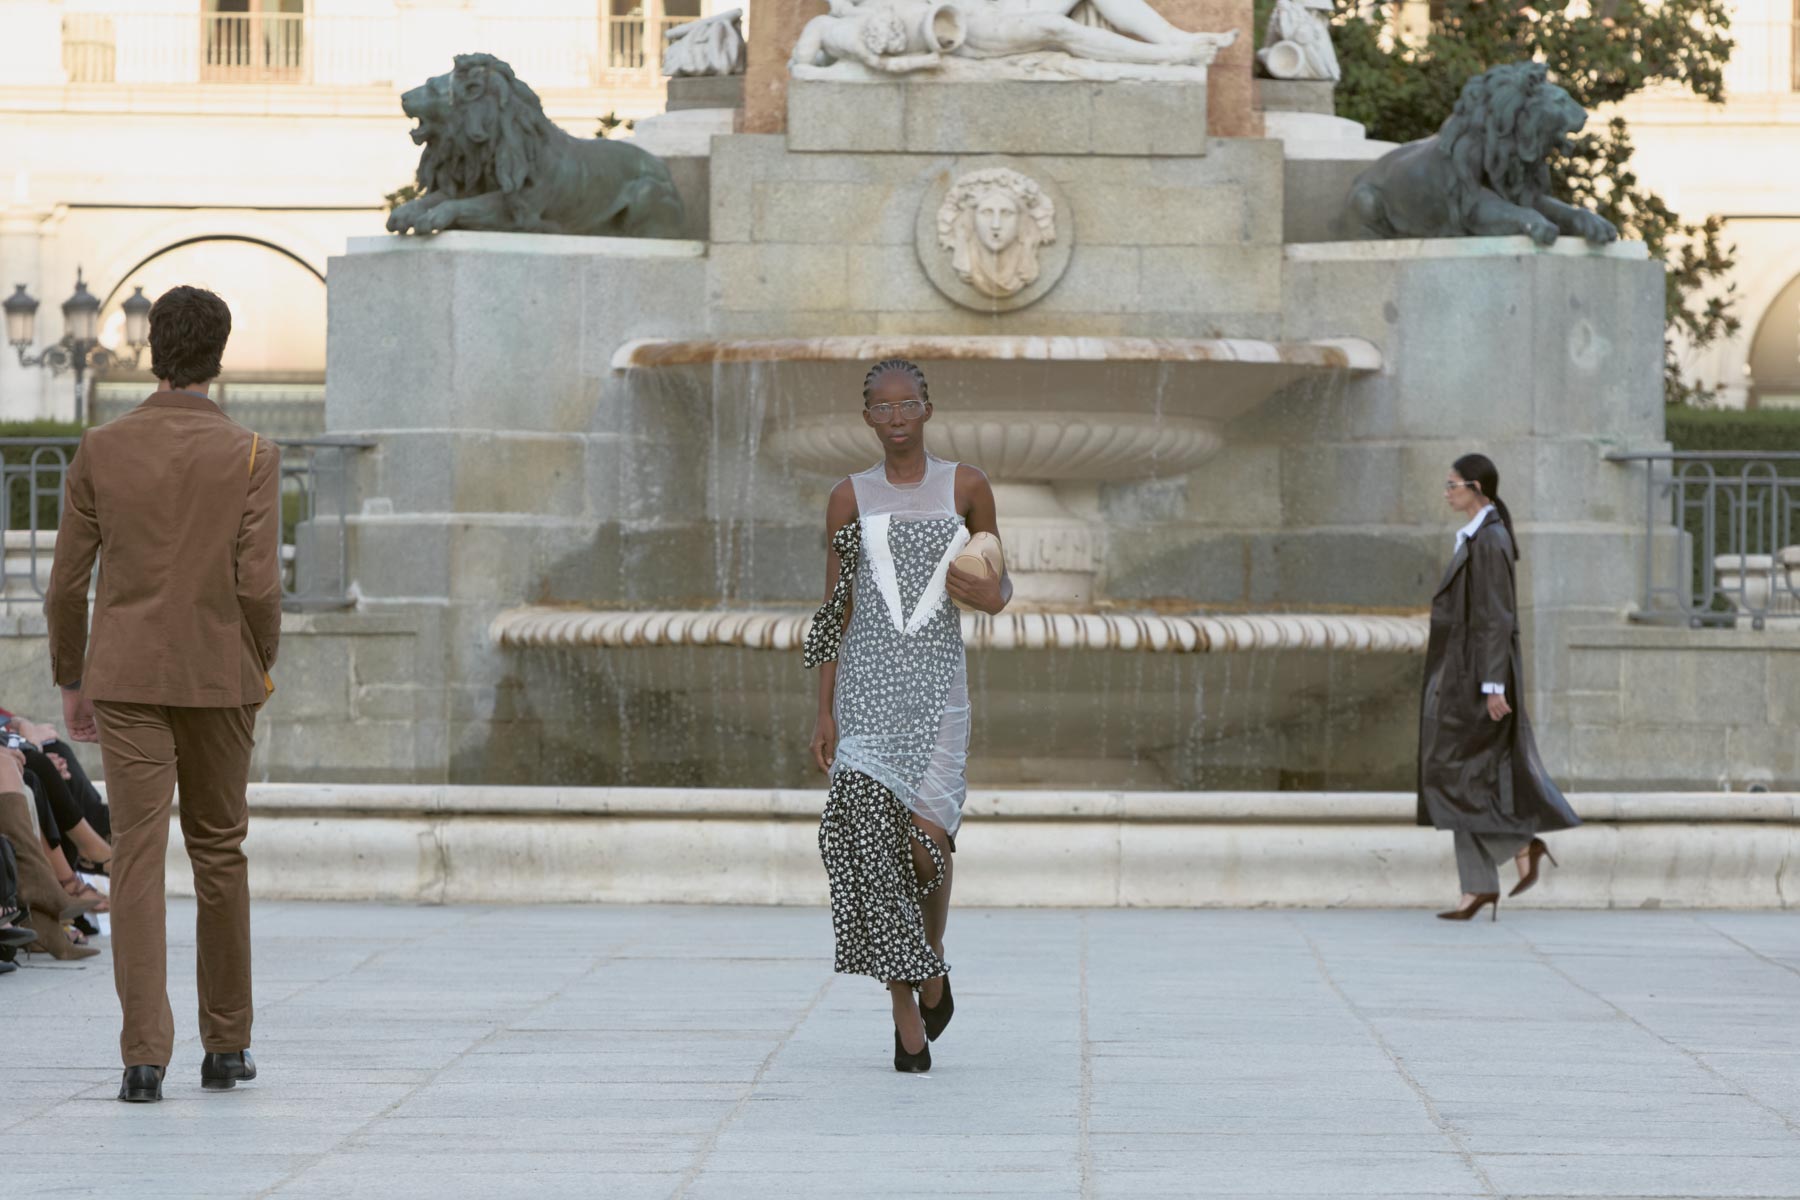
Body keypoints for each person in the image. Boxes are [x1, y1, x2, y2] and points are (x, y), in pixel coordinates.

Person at [45, 284, 281, 1104]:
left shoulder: (102, 447)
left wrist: (72, 677)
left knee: (138, 856)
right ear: (219, 355)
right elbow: (258, 586)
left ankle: (143, 1060)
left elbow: (65, 584)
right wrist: (259, 664)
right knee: (220, 851)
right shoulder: (250, 454)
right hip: (220, 676)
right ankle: (228, 1045)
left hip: (128, 674)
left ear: (153, 350)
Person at [803, 358, 1011, 1073]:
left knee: (926, 849)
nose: (895, 418)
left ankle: (932, 959)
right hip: (865, 695)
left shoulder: (967, 486)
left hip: (937, 691)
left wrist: (994, 595)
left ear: (927, 408)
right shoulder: (847, 497)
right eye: (882, 408)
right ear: (867, 417)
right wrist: (823, 711)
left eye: (907, 405)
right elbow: (835, 608)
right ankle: (905, 1014)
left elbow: (1000, 581)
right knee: (866, 847)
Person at [1418, 453, 1579, 921]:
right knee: (1457, 777)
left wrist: (1493, 686)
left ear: (1476, 488)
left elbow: (1497, 617)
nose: (1446, 493)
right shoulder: (1479, 535)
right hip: (1465, 674)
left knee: (1454, 774)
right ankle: (1481, 883)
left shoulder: (1490, 539)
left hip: (1477, 678)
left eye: (1452, 485)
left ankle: (1515, 849)